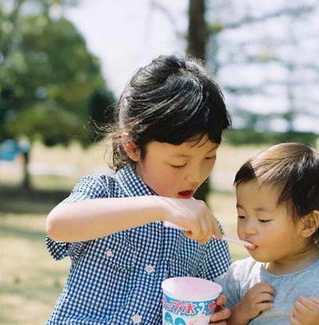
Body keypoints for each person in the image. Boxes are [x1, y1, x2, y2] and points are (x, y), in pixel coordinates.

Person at [45, 55, 232, 324]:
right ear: (132, 146)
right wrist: (160, 208)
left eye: (209, 157)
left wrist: (220, 313)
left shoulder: (204, 227)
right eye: (179, 163)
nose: (196, 176)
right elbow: (58, 225)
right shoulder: (104, 190)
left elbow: (222, 295)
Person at [215, 143, 319, 325]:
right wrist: (239, 312)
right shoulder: (240, 277)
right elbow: (214, 320)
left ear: (308, 223)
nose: (248, 228)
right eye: (242, 216)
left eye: (263, 219)